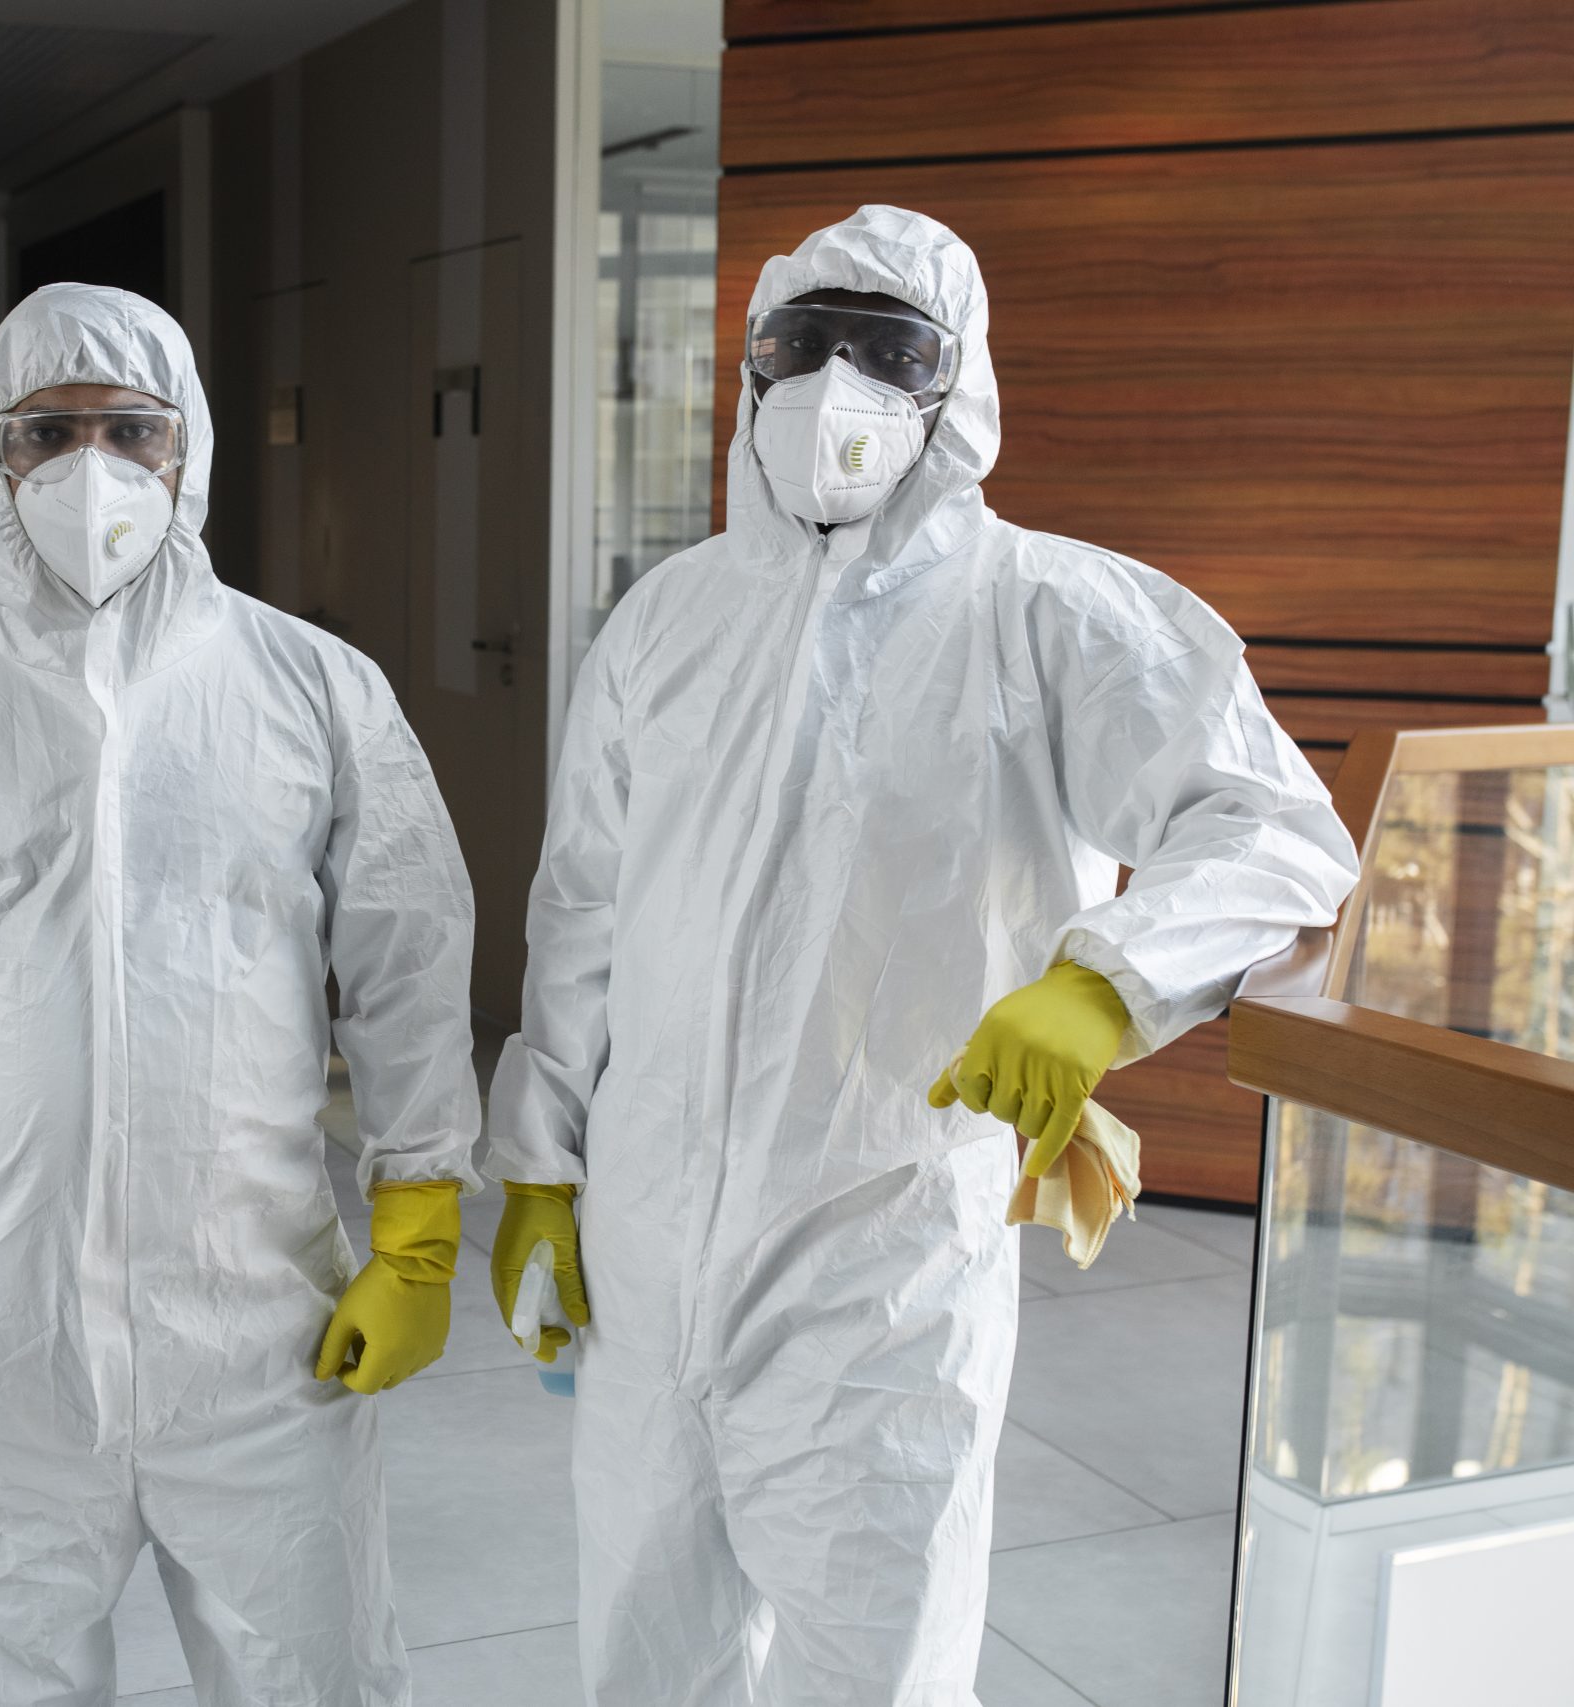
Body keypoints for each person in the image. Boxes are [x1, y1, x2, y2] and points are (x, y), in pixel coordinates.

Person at [482, 205, 1359, 1705]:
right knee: (641, 1652)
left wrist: (1102, 982)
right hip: (644, 1246)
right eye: (802, 345)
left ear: (960, 388)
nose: (840, 386)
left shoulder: (1051, 613)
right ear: (751, 376)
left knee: (872, 1665)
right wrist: (544, 1167)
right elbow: (582, 913)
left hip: (877, 1265)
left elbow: (1277, 829)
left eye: (892, 351)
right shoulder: (665, 624)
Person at [0, 283, 480, 1707]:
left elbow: (410, 955)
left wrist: (421, 1217)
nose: (92, 469)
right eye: (49, 433)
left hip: (262, 1330)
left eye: (132, 429)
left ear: (189, 456)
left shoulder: (312, 689)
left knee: (313, 1678)